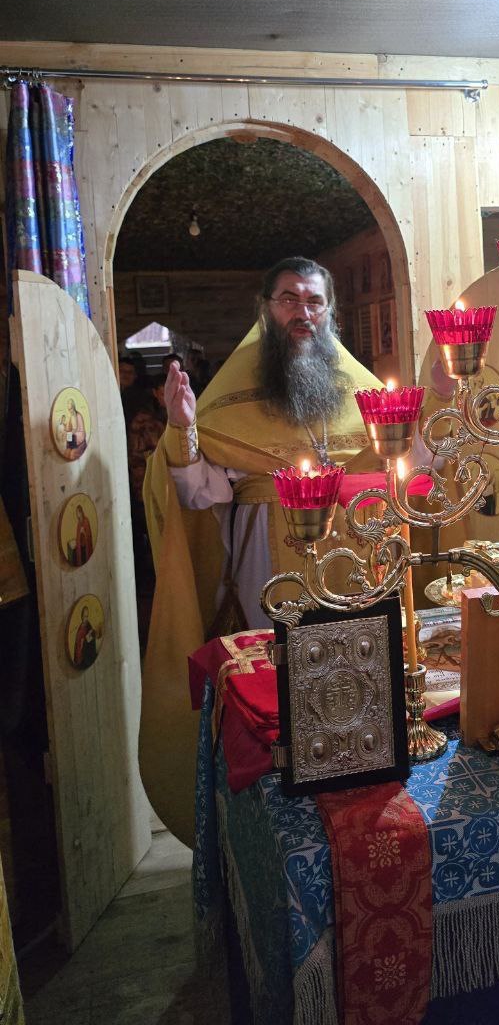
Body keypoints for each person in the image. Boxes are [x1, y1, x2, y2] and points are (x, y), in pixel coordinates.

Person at [140, 257, 385, 844]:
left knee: (357, 681)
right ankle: (284, 823)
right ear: (266, 309)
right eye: (289, 299)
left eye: (314, 301)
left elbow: (402, 468)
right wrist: (183, 430)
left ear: (330, 312)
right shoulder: (227, 404)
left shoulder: (364, 394)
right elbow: (200, 495)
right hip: (267, 565)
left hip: (352, 560)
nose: (303, 312)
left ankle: (362, 802)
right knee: (281, 693)